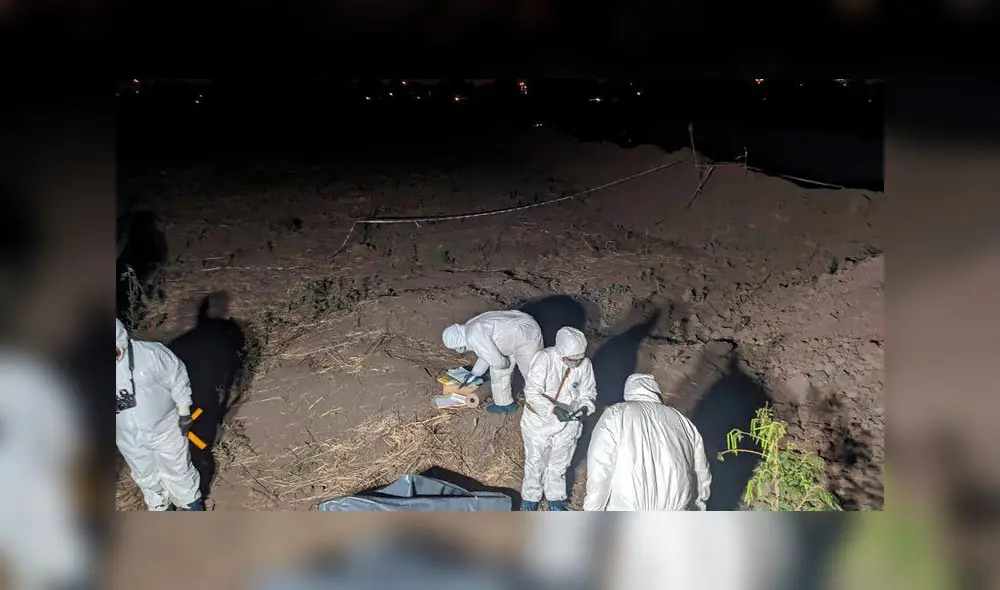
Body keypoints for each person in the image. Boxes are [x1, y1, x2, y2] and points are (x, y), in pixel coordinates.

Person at [583, 373, 712, 511]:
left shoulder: (616, 415)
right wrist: (699, 506)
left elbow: (601, 466)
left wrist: (594, 509)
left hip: (628, 507)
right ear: (656, 392)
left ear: (629, 391)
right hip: (675, 508)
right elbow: (700, 469)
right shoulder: (682, 420)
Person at [115, 318, 204, 511]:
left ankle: (190, 505)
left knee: (179, 471)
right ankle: (161, 507)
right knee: (145, 475)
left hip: (165, 429)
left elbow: (177, 378)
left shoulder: (151, 355)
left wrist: (184, 411)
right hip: (127, 438)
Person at [519, 326, 597, 511]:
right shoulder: (544, 359)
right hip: (539, 422)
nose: (576, 363)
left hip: (569, 422)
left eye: (579, 359)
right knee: (535, 461)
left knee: (560, 463)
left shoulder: (584, 364)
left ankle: (555, 497)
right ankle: (531, 497)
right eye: (572, 359)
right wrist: (553, 409)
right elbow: (531, 393)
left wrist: (585, 408)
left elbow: (589, 391)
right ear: (561, 353)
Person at [441, 310, 544, 414]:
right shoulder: (470, 327)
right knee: (497, 372)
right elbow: (486, 354)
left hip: (526, 334)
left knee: (532, 373)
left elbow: (496, 361)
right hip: (510, 337)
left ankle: (545, 404)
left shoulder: (473, 336)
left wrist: (504, 364)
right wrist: (475, 373)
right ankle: (503, 403)